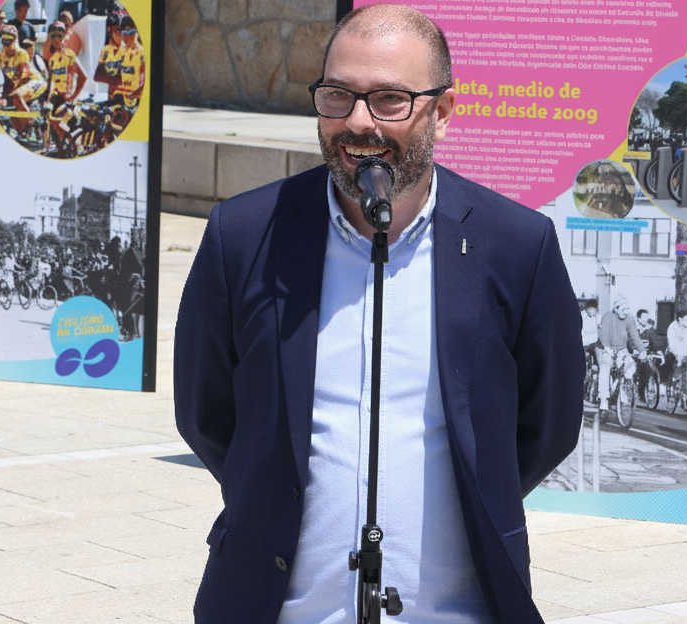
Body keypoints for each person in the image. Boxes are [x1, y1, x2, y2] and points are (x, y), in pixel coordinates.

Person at [172, 5, 583, 623]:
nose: (358, 121)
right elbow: (205, 413)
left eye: (390, 99)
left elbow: (546, 425)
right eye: (337, 95)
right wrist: (268, 498)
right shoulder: (244, 234)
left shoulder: (517, 245)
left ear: (442, 111)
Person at [596, 296, 644, 414]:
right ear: (616, 309)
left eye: (627, 309)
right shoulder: (607, 317)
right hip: (604, 347)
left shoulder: (629, 318)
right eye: (623, 309)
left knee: (631, 366)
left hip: (621, 349)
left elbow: (634, 336)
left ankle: (624, 393)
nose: (625, 312)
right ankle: (603, 400)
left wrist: (642, 350)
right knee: (605, 368)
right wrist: (609, 350)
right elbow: (604, 336)